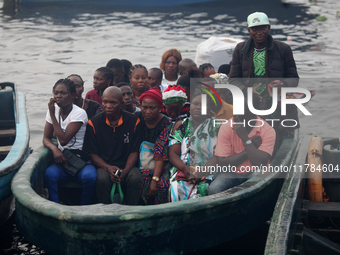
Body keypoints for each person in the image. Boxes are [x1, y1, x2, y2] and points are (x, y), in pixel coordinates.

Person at [228, 12, 299, 138]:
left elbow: (294, 77)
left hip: (277, 104)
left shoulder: (283, 49)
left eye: (263, 28)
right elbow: (233, 79)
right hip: (251, 103)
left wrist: (282, 84)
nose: (259, 33)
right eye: (255, 29)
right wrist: (247, 90)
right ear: (249, 30)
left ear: (269, 28)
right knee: (253, 137)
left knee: (278, 135)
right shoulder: (240, 49)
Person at [83, 86, 143, 205]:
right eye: (105, 102)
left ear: (121, 103)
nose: (108, 106)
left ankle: (132, 210)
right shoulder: (93, 123)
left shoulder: (133, 121)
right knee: (102, 179)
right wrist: (108, 168)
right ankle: (104, 212)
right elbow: (93, 154)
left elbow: (134, 152)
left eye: (113, 103)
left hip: (126, 165)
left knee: (135, 178)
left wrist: (125, 171)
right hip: (104, 165)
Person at [208, 94, 276, 195]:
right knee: (214, 189)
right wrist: (247, 149)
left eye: (242, 113)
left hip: (255, 171)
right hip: (232, 173)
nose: (236, 116)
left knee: (258, 182)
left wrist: (244, 137)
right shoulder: (226, 127)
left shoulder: (268, 130)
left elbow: (260, 163)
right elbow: (223, 164)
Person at [43, 78, 97, 205]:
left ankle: (84, 209)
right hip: (63, 161)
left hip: (81, 162)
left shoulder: (79, 113)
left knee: (90, 177)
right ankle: (55, 210)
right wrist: (55, 149)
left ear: (73, 95)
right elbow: (46, 138)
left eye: (63, 93)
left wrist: (52, 114)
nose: (58, 96)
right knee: (50, 174)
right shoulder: (53, 110)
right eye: (56, 93)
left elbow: (63, 139)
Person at [169, 93, 221, 201]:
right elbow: (173, 153)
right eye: (195, 103)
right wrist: (185, 168)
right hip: (183, 169)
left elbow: (218, 155)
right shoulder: (182, 125)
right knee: (175, 188)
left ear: (210, 108)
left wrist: (202, 172)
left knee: (204, 190)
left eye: (203, 104)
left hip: (208, 171)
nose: (198, 107)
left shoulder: (217, 126)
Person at [135, 87, 172, 205]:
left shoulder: (166, 123)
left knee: (163, 185)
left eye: (152, 108)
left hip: (161, 162)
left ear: (160, 108)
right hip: (139, 161)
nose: (148, 111)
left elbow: (161, 152)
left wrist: (155, 179)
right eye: (144, 107)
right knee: (141, 178)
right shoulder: (136, 118)